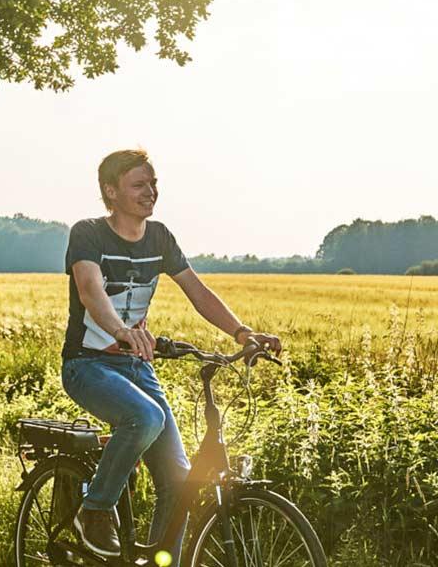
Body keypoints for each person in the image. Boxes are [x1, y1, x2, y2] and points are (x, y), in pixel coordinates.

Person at [61, 148, 283, 557]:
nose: (151, 192)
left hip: (135, 366)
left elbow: (197, 291)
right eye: (139, 185)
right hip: (87, 365)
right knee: (145, 416)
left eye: (154, 184)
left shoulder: (159, 236)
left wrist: (241, 332)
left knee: (179, 483)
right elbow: (91, 290)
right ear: (111, 191)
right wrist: (121, 331)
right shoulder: (88, 233)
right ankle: (94, 510)